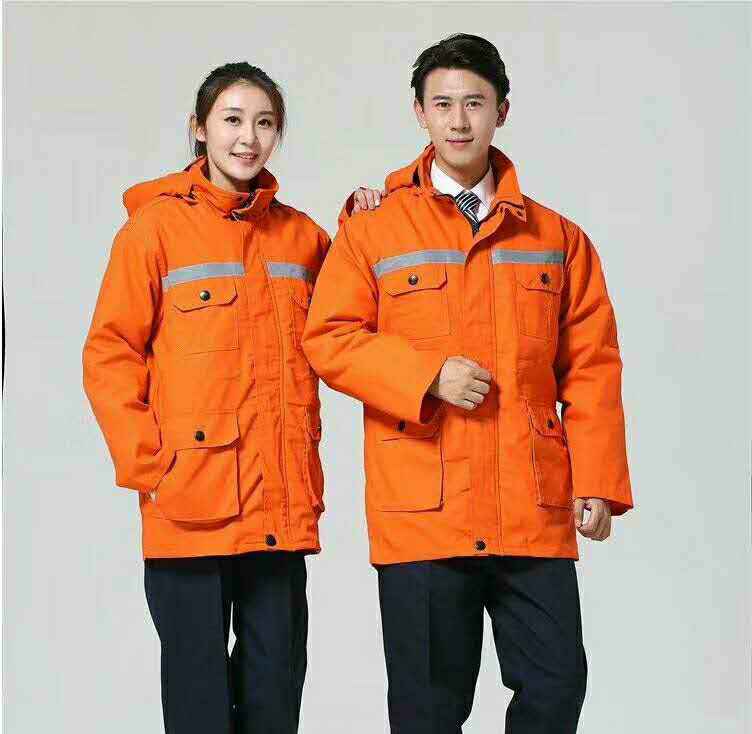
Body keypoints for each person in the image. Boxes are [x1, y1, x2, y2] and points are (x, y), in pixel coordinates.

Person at [302, 34, 634, 734]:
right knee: (427, 711)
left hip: (530, 507)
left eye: (475, 104)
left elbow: (592, 366)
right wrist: (426, 376)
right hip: (425, 511)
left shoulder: (557, 238)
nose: (459, 121)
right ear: (419, 113)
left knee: (557, 685)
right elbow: (329, 338)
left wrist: (598, 479)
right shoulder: (374, 231)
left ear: (502, 112)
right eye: (443, 104)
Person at [82, 62, 380, 734]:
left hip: (278, 502)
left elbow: (351, 310)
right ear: (200, 128)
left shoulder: (302, 237)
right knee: (200, 705)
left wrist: (364, 223)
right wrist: (150, 466)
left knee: (276, 695)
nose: (249, 138)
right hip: (189, 504)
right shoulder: (153, 232)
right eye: (233, 120)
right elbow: (109, 353)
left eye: (265, 123)